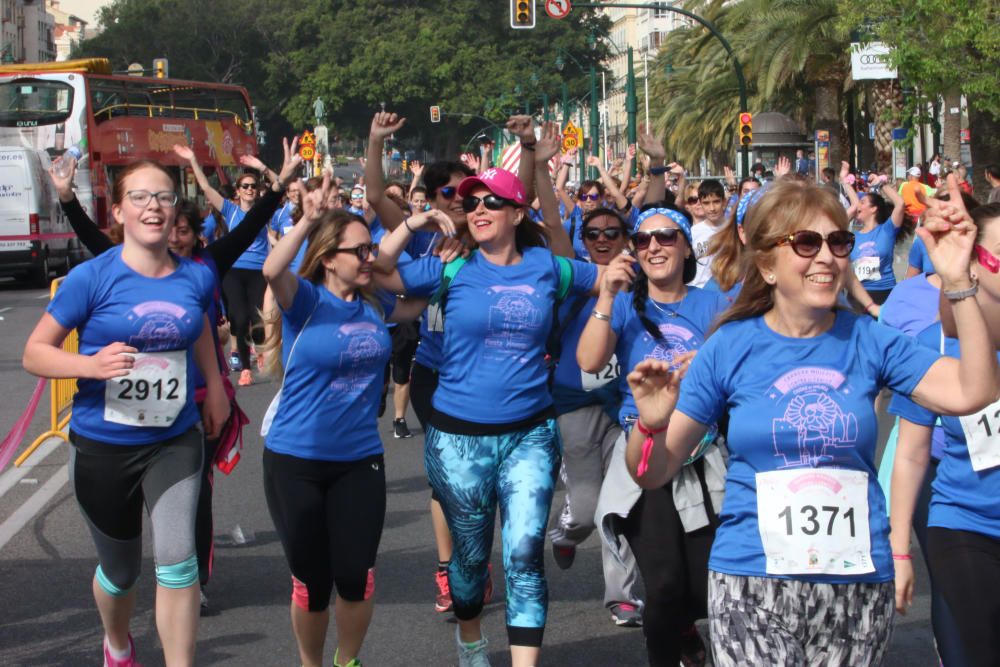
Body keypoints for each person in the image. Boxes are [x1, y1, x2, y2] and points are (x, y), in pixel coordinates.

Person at [620, 176, 997, 666]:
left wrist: (958, 281)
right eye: (806, 243)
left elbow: (973, 390)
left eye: (839, 241)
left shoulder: (870, 339)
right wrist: (648, 426)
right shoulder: (730, 347)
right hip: (751, 579)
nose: (827, 257)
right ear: (767, 265)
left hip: (855, 582)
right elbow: (652, 471)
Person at [50, 138, 303, 611]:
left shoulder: (204, 268)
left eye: (183, 230)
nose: (173, 238)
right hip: (116, 426)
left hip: (194, 406)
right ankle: (132, 597)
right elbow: (92, 238)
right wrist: (66, 198)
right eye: (169, 230)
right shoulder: (120, 267)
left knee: (194, 501)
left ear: (193, 235)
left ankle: (191, 578)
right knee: (122, 557)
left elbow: (248, 228)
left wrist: (279, 187)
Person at [374, 160, 600, 667]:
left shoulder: (550, 268)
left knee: (523, 556)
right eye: (472, 202)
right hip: (458, 438)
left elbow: (611, 278)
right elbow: (381, 272)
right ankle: (471, 639)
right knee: (471, 562)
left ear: (518, 213)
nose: (478, 209)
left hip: (530, 435)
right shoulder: (451, 268)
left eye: (492, 201)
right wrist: (415, 222)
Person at [23, 160, 231, 667]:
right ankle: (118, 644)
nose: (154, 207)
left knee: (179, 564)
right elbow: (34, 353)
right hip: (104, 445)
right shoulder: (90, 278)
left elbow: (198, 325)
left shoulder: (194, 278)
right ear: (118, 211)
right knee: (121, 573)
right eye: (139, 197)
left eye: (163, 197)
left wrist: (218, 387)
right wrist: (89, 365)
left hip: (174, 439)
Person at [259, 174, 436, 667]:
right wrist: (310, 220)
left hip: (359, 460)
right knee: (313, 582)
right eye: (358, 252)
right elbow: (274, 270)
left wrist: (425, 231)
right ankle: (311, 663)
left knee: (356, 574)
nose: (368, 258)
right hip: (295, 460)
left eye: (369, 250)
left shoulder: (377, 302)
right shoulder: (307, 303)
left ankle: (347, 662)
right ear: (328, 257)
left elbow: (429, 287)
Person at [579, 205, 727, 666]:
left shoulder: (714, 303)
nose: (654, 247)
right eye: (643, 241)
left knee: (705, 585)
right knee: (662, 585)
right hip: (644, 452)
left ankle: (686, 626)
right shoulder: (624, 304)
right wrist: (606, 295)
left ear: (686, 247)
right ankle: (669, 641)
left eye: (666, 237)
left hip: (705, 454)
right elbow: (588, 361)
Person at [889, 201, 1000, 667]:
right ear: (974, 262)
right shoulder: (933, 341)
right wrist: (898, 552)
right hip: (966, 524)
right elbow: (911, 453)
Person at [174, 145, 277, 386]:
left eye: (253, 186)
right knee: (239, 320)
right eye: (245, 186)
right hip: (234, 269)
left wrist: (261, 167)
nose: (250, 190)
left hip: (257, 271)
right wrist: (193, 161)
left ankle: (259, 350)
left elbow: (278, 185)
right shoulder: (229, 211)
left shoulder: (264, 212)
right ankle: (244, 367)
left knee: (258, 320)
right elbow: (206, 188)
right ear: (238, 192)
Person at [841, 162, 906, 306]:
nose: (859, 206)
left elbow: (900, 204)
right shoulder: (852, 237)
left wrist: (881, 184)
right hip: (858, 295)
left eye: (863, 202)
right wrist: (845, 181)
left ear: (873, 209)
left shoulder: (887, 230)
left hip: (885, 292)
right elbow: (844, 217)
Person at [688, 180, 727, 288]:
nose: (712, 208)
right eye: (706, 203)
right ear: (700, 203)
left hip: (726, 292)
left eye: (716, 201)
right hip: (699, 290)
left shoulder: (733, 230)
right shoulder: (693, 233)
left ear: (724, 202)